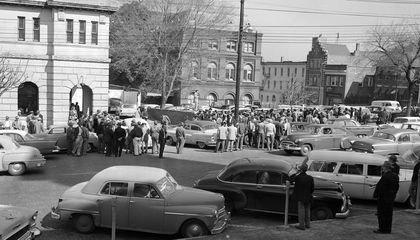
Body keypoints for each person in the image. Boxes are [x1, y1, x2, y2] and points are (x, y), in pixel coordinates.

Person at [373, 161, 399, 234]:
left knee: (381, 214)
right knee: (389, 214)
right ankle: (388, 229)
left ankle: (382, 229)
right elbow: (397, 187)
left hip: (383, 198)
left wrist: (376, 195)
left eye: (383, 167)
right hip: (391, 198)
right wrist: (393, 194)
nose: (382, 168)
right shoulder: (395, 176)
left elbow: (381, 188)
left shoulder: (385, 176)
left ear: (386, 167)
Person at [292, 163, 314, 230]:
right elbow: (312, 188)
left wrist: (296, 172)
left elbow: (291, 179)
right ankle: (308, 224)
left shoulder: (298, 177)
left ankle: (302, 225)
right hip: (308, 196)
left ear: (301, 170)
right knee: (307, 211)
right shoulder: (310, 178)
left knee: (301, 212)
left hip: (300, 197)